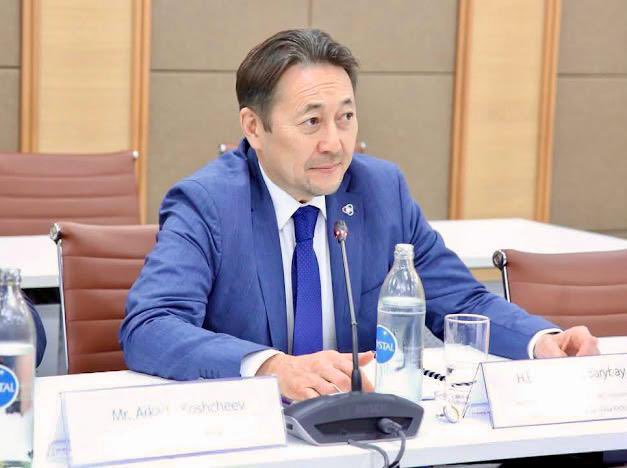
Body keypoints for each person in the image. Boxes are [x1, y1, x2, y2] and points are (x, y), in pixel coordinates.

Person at [120, 29, 598, 401]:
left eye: (345, 117)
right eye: (312, 121)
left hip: (364, 430)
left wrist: (541, 340)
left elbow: (461, 298)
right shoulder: (208, 204)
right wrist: (271, 366)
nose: (335, 143)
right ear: (254, 127)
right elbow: (150, 325)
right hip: (254, 434)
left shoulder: (380, 191)